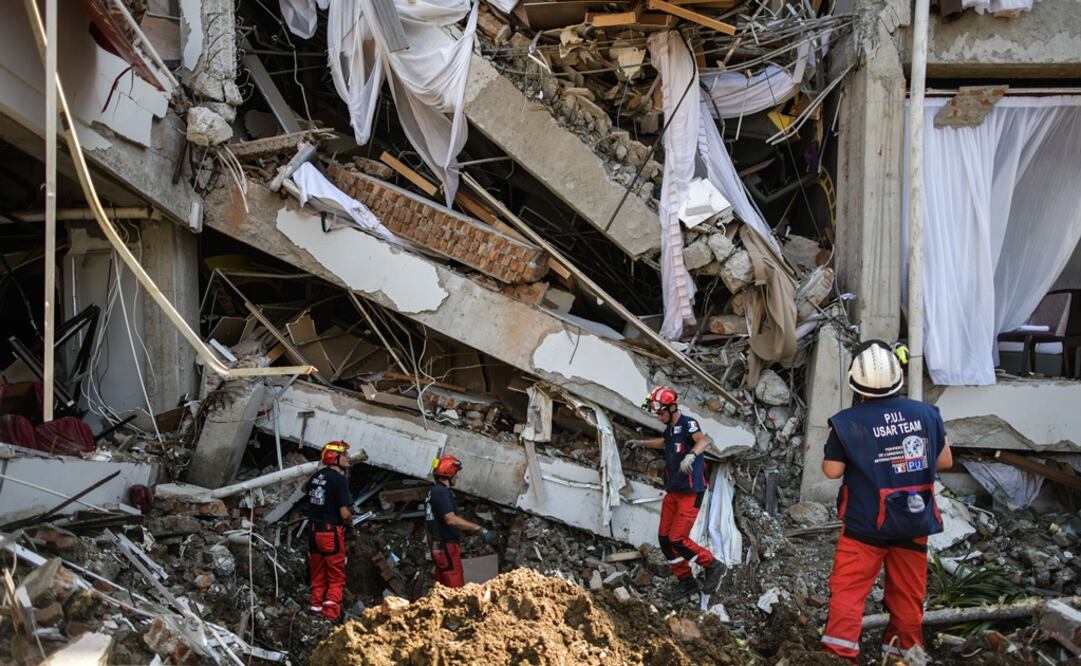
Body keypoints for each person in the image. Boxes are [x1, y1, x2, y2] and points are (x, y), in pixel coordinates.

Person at [820, 340, 953, 663]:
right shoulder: (926, 414)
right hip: (913, 519)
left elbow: (832, 471)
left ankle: (839, 655)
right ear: (898, 378)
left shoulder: (847, 421)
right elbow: (945, 461)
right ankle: (902, 652)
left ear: (855, 383)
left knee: (849, 590)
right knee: (908, 592)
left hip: (865, 524)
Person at [630, 386, 724, 602]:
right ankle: (686, 581)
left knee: (677, 538)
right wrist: (641, 443)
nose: (659, 416)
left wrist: (691, 456)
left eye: (661, 412)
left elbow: (703, 441)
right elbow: (665, 442)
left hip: (691, 492)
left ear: (672, 408)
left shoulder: (688, 423)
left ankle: (713, 565)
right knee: (664, 539)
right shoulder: (670, 429)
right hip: (673, 490)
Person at [425, 455, 496, 588]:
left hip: (439, 545)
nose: (457, 477)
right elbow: (450, 519)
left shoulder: (433, 492)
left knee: (442, 588)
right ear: (450, 473)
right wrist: (477, 528)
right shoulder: (441, 492)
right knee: (454, 587)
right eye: (456, 473)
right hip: (446, 547)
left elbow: (429, 524)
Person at [305, 440, 353, 622]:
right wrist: (350, 522)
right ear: (334, 457)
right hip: (330, 532)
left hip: (313, 532)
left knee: (318, 573)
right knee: (336, 576)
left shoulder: (316, 476)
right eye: (345, 455)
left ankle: (315, 609)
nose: (348, 458)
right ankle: (330, 615)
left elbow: (306, 492)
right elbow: (344, 512)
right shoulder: (339, 480)